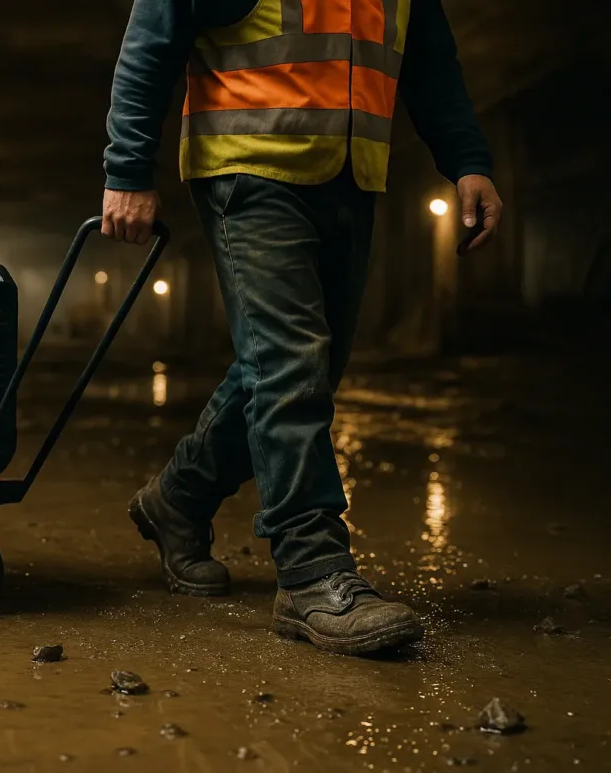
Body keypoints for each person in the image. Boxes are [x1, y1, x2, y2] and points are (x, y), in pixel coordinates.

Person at [102, 0, 502, 656]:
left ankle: (179, 497)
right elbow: (155, 30)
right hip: (249, 165)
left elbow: (430, 61)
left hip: (349, 175)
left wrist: (468, 160)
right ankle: (312, 571)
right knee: (289, 363)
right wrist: (127, 167)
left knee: (298, 364)